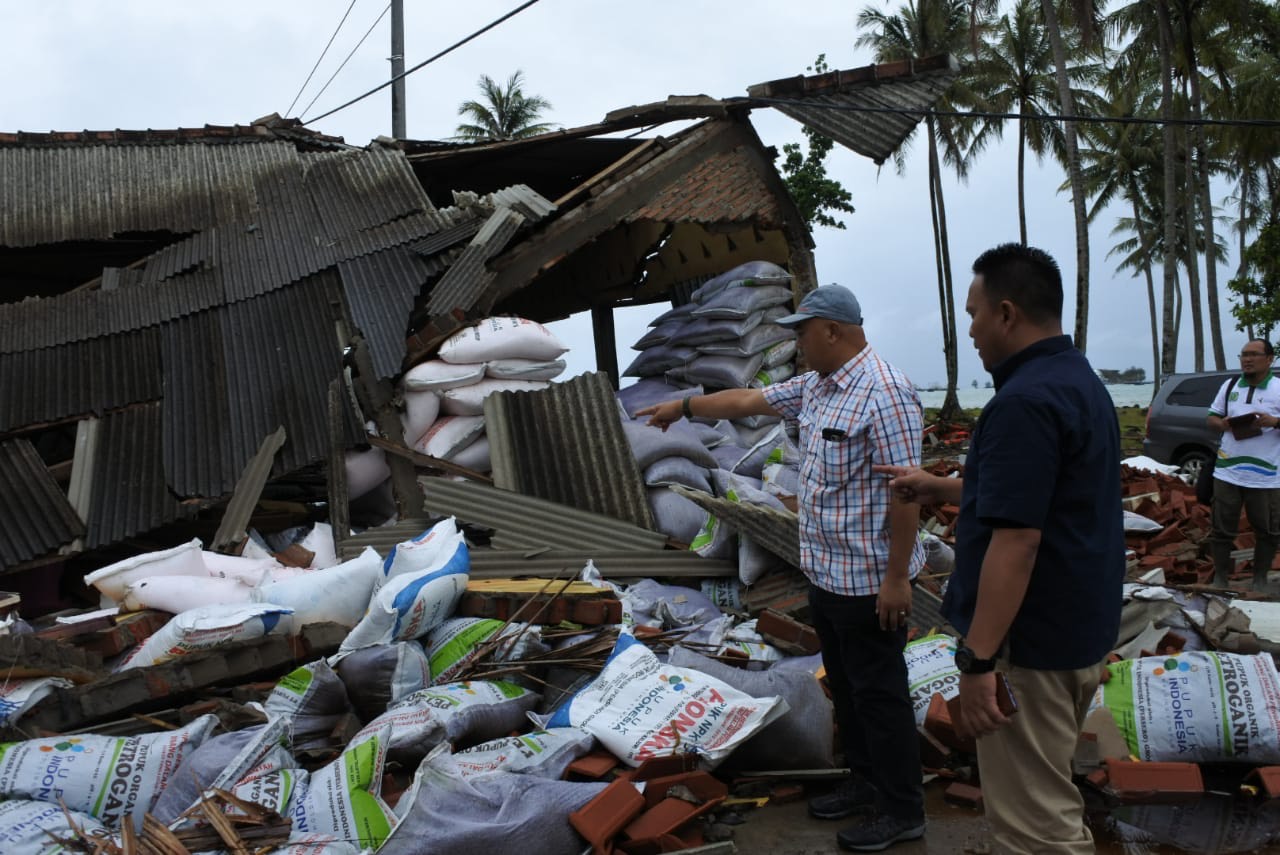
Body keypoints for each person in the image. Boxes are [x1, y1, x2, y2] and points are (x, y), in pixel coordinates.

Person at [637, 284, 927, 852]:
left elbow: (906, 494)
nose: (795, 343)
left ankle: (902, 809)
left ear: (831, 331)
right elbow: (748, 402)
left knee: (881, 695)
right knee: (846, 688)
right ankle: (865, 784)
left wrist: (896, 578)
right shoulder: (818, 388)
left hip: (870, 581)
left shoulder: (886, 393)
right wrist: (684, 407)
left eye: (801, 332)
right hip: (827, 573)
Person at [875, 244, 1123, 854]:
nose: (971, 330)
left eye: (974, 313)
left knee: (1036, 830)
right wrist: (944, 486)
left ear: (1007, 313)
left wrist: (979, 663)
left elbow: (1019, 541)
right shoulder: (1076, 381)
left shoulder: (1021, 403)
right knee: (1048, 793)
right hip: (1077, 631)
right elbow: (1047, 500)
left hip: (1026, 647)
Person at [1206, 338, 1280, 592]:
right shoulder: (1229, 386)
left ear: (1269, 359)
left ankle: (1259, 578)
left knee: (1268, 530)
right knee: (1221, 528)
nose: (1247, 359)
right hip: (1228, 471)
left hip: (1266, 475)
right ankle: (1221, 578)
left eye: (1253, 354)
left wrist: (1275, 421)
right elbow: (1212, 417)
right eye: (1243, 354)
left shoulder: (1278, 389)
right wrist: (1222, 423)